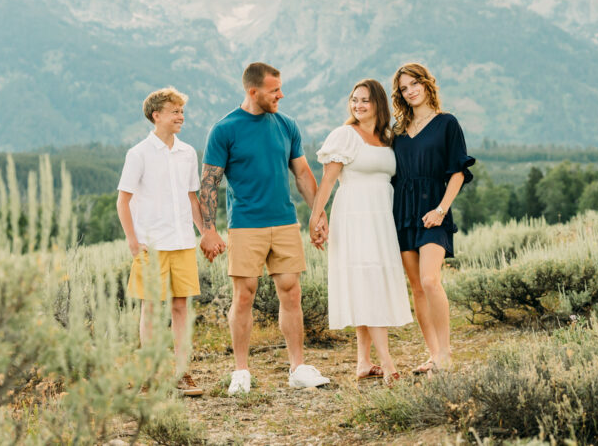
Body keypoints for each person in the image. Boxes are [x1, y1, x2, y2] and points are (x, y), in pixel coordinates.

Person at [198, 62, 331, 395]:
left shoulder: (287, 125)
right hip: (246, 225)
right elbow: (209, 183)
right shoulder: (224, 129)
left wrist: (318, 215)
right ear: (253, 91)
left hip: (284, 222)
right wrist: (208, 230)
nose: (280, 95)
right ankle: (241, 371)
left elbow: (302, 174)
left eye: (280, 88)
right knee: (244, 295)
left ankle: (297, 368)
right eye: (274, 90)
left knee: (292, 291)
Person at [117, 87, 224, 397]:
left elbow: (192, 198)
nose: (181, 116)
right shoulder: (138, 154)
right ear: (157, 115)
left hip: (182, 243)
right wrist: (133, 242)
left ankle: (182, 373)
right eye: (175, 111)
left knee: (180, 308)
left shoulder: (187, 153)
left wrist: (206, 233)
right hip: (151, 245)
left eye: (182, 111)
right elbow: (123, 201)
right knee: (151, 309)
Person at [308, 79, 412, 386]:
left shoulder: (388, 137)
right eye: (354, 99)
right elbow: (328, 181)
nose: (358, 105)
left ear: (379, 103)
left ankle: (364, 363)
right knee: (369, 283)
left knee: (370, 282)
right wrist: (316, 218)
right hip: (355, 216)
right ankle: (388, 363)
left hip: (383, 218)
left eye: (365, 100)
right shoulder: (345, 135)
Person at [390, 63, 474, 375]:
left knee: (429, 280)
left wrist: (441, 210)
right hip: (403, 212)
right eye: (404, 88)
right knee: (416, 286)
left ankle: (446, 353)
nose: (410, 91)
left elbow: (458, 172)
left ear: (427, 84)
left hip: (434, 212)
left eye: (414, 84)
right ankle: (433, 354)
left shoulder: (447, 123)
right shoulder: (397, 131)